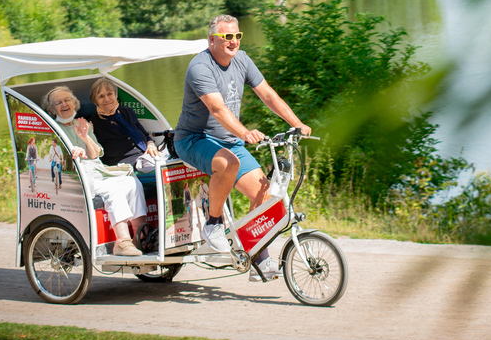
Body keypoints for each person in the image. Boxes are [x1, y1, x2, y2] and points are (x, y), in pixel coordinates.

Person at [174, 14, 311, 282]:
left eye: (238, 36)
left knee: (264, 192)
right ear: (212, 39)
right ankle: (213, 225)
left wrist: (297, 123)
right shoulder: (199, 67)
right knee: (228, 163)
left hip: (229, 140)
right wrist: (245, 133)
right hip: (194, 138)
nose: (233, 41)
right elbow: (217, 109)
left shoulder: (242, 59)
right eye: (227, 37)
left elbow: (268, 94)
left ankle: (258, 257)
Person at [42, 86, 147, 256]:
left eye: (67, 100)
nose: (64, 104)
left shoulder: (82, 124)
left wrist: (85, 138)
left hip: (97, 172)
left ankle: (141, 235)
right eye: (58, 102)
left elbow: (96, 153)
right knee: (114, 190)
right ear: (52, 109)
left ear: (74, 103)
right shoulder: (53, 130)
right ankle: (122, 242)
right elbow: (54, 159)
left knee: (132, 182)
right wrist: (74, 154)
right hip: (79, 178)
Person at [87, 77, 160, 167]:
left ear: (116, 95)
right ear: (95, 100)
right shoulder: (93, 123)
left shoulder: (127, 112)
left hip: (145, 157)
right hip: (122, 166)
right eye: (101, 96)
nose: (107, 99)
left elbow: (145, 135)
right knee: (158, 171)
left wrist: (151, 145)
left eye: (110, 94)